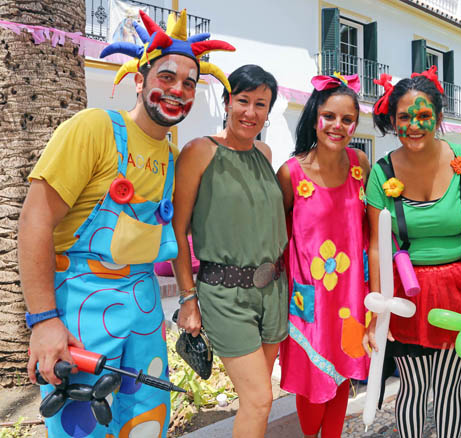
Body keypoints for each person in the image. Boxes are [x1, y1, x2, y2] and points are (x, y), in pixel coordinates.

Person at [17, 10, 234, 437]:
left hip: (145, 313)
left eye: (189, 84)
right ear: (139, 79)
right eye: (167, 77)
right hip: (81, 316)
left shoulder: (172, 158)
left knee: (146, 426)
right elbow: (34, 220)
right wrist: (43, 320)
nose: (178, 91)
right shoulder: (94, 128)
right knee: (84, 425)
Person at [365, 67, 461, 438]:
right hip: (406, 296)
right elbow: (377, 246)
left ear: (438, 118)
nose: (414, 125)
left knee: (450, 385)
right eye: (405, 117)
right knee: (413, 386)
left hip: (460, 293)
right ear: (393, 121)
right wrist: (376, 311)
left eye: (424, 116)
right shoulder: (382, 171)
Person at [171, 64, 286, 438]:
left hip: (272, 293)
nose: (250, 112)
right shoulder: (199, 151)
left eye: (261, 104)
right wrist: (188, 298)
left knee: (257, 397)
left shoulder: (265, 154)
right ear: (226, 101)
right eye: (243, 100)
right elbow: (177, 227)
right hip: (224, 294)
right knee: (259, 399)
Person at [276, 73, 370, 438]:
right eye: (329, 116)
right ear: (315, 116)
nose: (337, 125)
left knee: (343, 370)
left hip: (350, 295)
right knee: (311, 380)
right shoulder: (291, 172)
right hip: (308, 298)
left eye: (347, 119)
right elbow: (278, 238)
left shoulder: (360, 165)